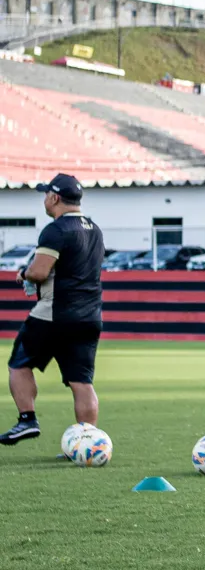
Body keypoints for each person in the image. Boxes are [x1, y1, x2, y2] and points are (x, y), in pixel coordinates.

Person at [1, 174, 105, 446]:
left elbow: (39, 271)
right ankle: (86, 443)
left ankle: (27, 420)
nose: (44, 198)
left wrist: (24, 273)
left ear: (55, 197)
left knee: (19, 364)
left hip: (55, 312)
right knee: (81, 381)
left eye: (45, 193)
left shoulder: (56, 229)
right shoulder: (94, 229)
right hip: (90, 315)